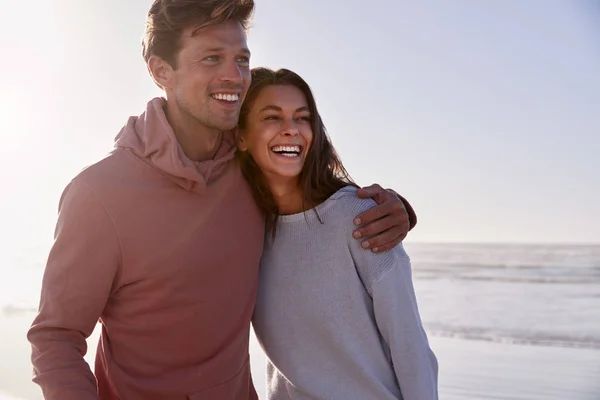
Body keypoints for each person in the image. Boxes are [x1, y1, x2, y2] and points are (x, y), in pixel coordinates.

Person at [27, 1, 417, 399]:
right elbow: (56, 337)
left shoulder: (249, 161)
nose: (234, 76)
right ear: (161, 71)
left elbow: (319, 196)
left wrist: (395, 208)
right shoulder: (99, 195)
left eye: (242, 59)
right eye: (212, 58)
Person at [236, 67, 438, 400]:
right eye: (272, 118)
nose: (291, 130)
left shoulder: (359, 217)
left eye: (302, 118)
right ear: (241, 136)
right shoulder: (246, 229)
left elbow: (410, 346)